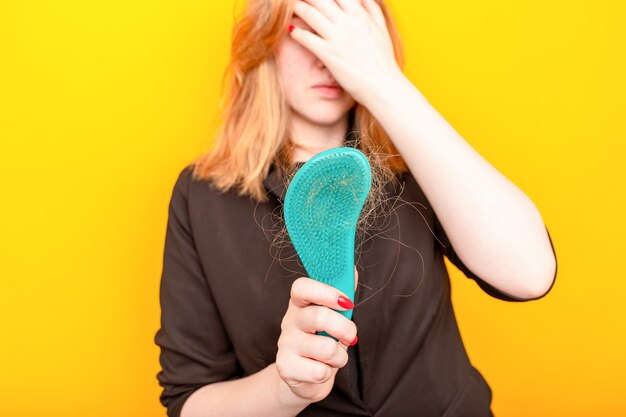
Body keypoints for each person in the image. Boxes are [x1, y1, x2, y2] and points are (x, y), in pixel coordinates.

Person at [154, 1, 558, 416]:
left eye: (344, 30)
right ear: (266, 40)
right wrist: (285, 388)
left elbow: (529, 274)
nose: (327, 58)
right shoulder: (200, 195)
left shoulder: (419, 161)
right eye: (308, 26)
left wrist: (383, 81)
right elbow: (189, 401)